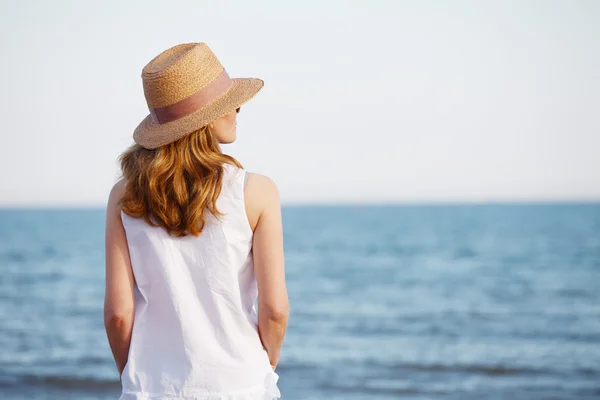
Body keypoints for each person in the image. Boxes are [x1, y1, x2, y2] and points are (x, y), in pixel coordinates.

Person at [103, 42, 289, 400]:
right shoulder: (256, 192)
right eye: (227, 101)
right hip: (241, 386)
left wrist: (133, 374)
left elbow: (118, 314)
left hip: (153, 389)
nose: (238, 107)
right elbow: (275, 309)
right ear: (206, 116)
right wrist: (266, 365)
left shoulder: (125, 196)